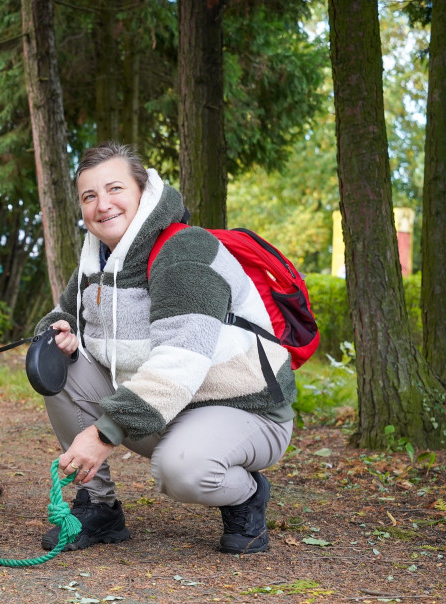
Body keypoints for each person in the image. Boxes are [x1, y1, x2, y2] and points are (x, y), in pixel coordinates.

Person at [36, 142, 295, 555]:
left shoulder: (185, 251)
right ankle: (99, 508)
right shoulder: (97, 260)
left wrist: (104, 434)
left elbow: (179, 364)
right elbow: (59, 315)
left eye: (115, 188)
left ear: (143, 191)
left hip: (245, 410)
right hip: (165, 410)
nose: (103, 205)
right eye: (89, 196)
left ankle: (246, 493)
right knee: (57, 365)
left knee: (180, 470)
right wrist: (57, 334)